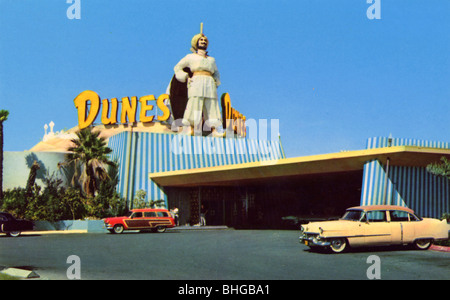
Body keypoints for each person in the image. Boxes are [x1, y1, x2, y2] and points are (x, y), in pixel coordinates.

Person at [172, 25, 224, 137]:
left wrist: (216, 81)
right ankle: (189, 128)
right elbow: (177, 67)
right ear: (196, 42)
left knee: (212, 105)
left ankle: (214, 130)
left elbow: (216, 72)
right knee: (195, 103)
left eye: (205, 40)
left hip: (209, 82)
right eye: (201, 40)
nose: (203, 42)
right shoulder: (190, 57)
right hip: (196, 81)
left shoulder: (211, 60)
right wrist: (185, 76)